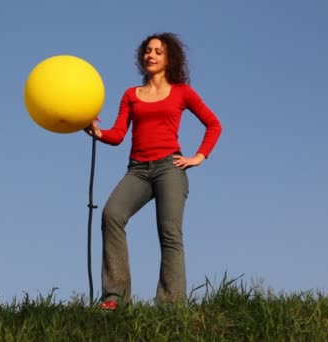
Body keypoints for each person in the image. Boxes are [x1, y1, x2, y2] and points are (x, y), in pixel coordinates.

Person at [84, 32, 222, 309]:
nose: (151, 55)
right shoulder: (131, 95)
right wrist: (97, 131)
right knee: (111, 215)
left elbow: (213, 124)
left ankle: (171, 305)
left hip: (169, 168)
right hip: (137, 170)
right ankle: (115, 298)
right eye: (148, 50)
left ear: (169, 58)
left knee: (169, 232)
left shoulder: (183, 92)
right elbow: (118, 135)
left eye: (158, 51)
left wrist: (199, 157)